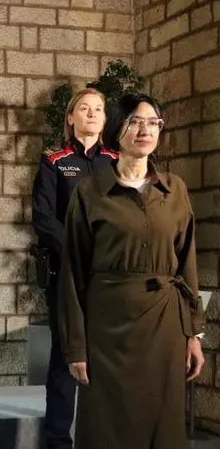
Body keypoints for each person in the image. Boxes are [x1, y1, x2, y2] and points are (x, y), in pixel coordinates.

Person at [59, 93, 205, 448]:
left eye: (153, 123)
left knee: (162, 426)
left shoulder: (175, 189)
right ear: (116, 129)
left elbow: (187, 264)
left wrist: (193, 334)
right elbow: (72, 274)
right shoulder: (89, 193)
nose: (145, 130)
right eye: (135, 122)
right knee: (106, 427)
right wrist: (76, 347)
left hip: (165, 325)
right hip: (107, 331)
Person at [30, 87, 116, 448]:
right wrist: (79, 252)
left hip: (110, 276)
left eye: (98, 109)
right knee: (66, 356)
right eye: (84, 108)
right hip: (67, 272)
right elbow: (43, 217)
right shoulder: (54, 161)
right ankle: (57, 442)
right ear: (70, 117)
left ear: (105, 119)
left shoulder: (117, 161)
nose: (92, 114)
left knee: (108, 358)